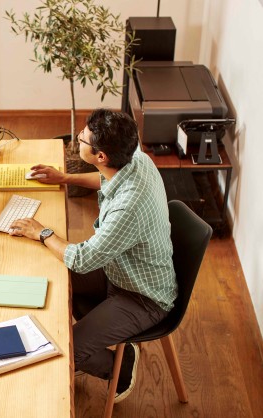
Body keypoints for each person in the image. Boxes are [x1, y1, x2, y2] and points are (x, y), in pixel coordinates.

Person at [10, 108, 177, 403]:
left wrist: (42, 232)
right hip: (120, 268)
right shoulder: (135, 158)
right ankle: (83, 351)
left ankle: (120, 368)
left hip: (142, 297)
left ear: (101, 155)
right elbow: (106, 179)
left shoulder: (128, 208)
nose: (78, 137)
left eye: (83, 138)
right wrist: (64, 177)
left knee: (66, 348)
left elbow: (82, 259)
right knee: (49, 274)